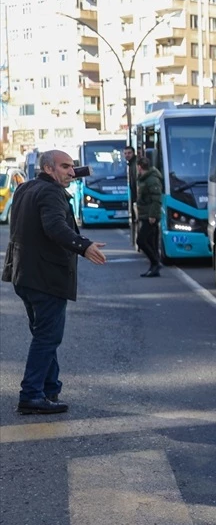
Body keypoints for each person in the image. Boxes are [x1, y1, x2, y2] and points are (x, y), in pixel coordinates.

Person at [2, 150, 107, 414]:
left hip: (24, 275)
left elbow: (60, 178)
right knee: (47, 338)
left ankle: (49, 388)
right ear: (48, 169)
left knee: (43, 335)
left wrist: (74, 171)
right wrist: (83, 246)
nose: (71, 172)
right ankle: (31, 394)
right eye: (65, 167)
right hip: (45, 278)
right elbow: (55, 227)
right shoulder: (50, 193)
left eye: (73, 167)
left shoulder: (26, 188)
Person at [135, 155, 164, 277]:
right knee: (151, 242)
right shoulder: (143, 178)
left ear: (140, 167)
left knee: (141, 240)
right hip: (145, 214)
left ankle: (155, 263)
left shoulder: (152, 179)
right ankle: (154, 267)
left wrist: (152, 215)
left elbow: (156, 199)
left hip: (150, 216)